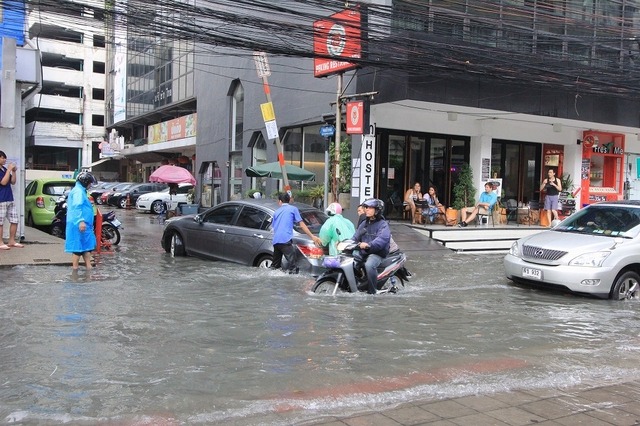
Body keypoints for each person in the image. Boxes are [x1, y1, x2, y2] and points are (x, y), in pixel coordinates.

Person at [271, 192, 322, 274]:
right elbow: (302, 225)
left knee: (275, 266)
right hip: (285, 240)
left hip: (276, 241)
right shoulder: (293, 209)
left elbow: (274, 227)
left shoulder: (276, 212)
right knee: (293, 266)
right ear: (289, 200)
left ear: (280, 201)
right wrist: (312, 236)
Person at [352, 198, 391, 294]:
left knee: (369, 265)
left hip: (377, 253)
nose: (367, 209)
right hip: (364, 252)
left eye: (370, 208)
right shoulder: (364, 223)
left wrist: (368, 245)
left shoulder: (383, 225)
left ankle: (373, 291)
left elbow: (381, 240)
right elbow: (355, 237)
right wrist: (345, 243)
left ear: (377, 210)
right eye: (366, 207)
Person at [65, 171, 98, 270]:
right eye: (89, 183)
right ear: (85, 182)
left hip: (84, 225)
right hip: (78, 224)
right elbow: (77, 207)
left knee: (86, 247)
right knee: (77, 248)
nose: (90, 185)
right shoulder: (78, 192)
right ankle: (75, 270)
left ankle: (88, 267)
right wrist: (80, 221)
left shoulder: (81, 190)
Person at [0, 151, 23, 249]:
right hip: (1, 199)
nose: (4, 160)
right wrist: (9, 169)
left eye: (5, 158)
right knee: (0, 222)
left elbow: (12, 182)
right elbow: (3, 182)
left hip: (9, 198)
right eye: (2, 158)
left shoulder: (5, 169)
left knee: (15, 220)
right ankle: (0, 242)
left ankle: (11, 240)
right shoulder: (4, 170)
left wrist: (13, 172)